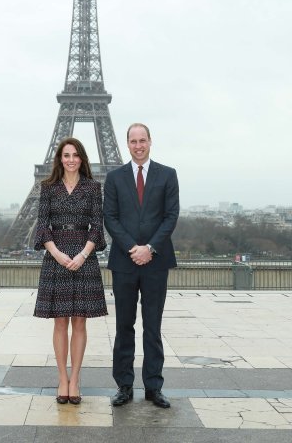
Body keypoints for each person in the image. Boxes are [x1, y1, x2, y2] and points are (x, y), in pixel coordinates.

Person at [103, 123, 179, 408]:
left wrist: (150, 248)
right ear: (127, 144)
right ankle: (124, 385)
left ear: (150, 141)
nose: (138, 145)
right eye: (133, 141)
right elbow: (110, 217)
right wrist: (133, 248)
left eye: (142, 140)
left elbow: (171, 216)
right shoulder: (114, 177)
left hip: (155, 261)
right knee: (124, 325)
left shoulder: (168, 175)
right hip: (125, 260)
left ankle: (153, 386)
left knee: (153, 326)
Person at [34, 137, 108, 405]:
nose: (71, 159)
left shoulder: (92, 188)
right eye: (66, 155)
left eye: (75, 155)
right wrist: (56, 253)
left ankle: (75, 380)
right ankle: (61, 378)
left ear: (82, 159)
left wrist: (82, 254)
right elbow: (42, 225)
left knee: (79, 321)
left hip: (83, 255)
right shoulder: (48, 188)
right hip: (57, 256)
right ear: (59, 159)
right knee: (60, 322)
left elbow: (97, 226)